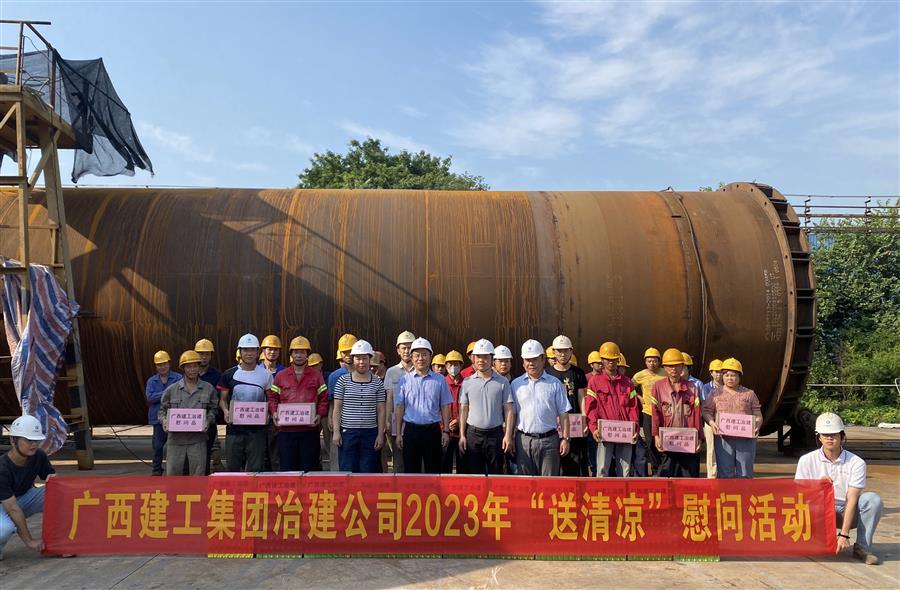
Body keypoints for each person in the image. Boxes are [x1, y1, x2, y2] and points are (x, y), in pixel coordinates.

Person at [795, 412, 884, 565]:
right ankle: (815, 540)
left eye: (834, 435)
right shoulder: (806, 460)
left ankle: (862, 548)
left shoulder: (856, 463)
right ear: (819, 437)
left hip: (845, 510)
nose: (829, 438)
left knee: (872, 500)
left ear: (842, 437)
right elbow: (799, 494)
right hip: (819, 509)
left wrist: (844, 534)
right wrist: (817, 487)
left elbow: (852, 499)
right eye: (825, 435)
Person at [511, 339, 571, 476]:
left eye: (535, 359)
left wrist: (565, 439)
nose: (531, 363)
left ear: (543, 359)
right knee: (525, 483)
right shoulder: (516, 384)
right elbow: (512, 414)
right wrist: (510, 436)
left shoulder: (555, 384)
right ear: (523, 362)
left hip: (549, 441)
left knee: (549, 483)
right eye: (527, 360)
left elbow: (563, 413)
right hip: (523, 441)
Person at [270, 336, 328, 471]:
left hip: (309, 432)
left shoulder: (316, 376)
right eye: (296, 352)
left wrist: (319, 415)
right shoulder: (281, 376)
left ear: (307, 355)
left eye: (302, 352)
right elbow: (273, 398)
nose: (299, 355)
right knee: (288, 469)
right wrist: (274, 412)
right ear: (291, 354)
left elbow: (324, 399)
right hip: (286, 432)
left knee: (309, 469)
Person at [395, 337, 452, 474]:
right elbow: (400, 407)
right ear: (412, 357)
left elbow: (445, 406)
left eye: (424, 355)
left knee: (434, 470)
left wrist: (445, 432)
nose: (421, 358)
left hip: (432, 431)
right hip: (411, 431)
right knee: (411, 472)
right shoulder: (404, 380)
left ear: (430, 357)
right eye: (417, 355)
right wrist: (398, 434)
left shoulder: (440, 380)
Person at [218, 334, 273, 472]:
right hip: (234, 429)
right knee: (233, 467)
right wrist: (225, 411)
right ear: (240, 351)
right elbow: (223, 399)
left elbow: (271, 399)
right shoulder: (229, 374)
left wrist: (269, 413)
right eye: (246, 350)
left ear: (258, 352)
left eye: (252, 350)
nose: (249, 353)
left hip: (257, 430)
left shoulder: (266, 375)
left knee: (255, 468)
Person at [0, 415, 53, 559]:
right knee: (3, 529)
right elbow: (12, 508)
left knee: (58, 494)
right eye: (28, 440)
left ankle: (61, 541)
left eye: (36, 440)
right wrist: (29, 541)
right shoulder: (2, 468)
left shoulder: (38, 456)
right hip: (4, 505)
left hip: (22, 499)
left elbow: (53, 480)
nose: (33, 444)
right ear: (13, 441)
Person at [459, 339, 515, 475]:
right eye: (478, 357)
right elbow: (464, 410)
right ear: (474, 358)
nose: (481, 360)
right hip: (473, 435)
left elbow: (508, 410)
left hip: (495, 435)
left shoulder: (503, 382)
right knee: (474, 474)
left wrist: (508, 435)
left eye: (485, 357)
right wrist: (462, 435)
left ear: (492, 359)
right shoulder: (467, 382)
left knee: (496, 474)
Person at [159, 351, 219, 476]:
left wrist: (208, 420)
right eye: (188, 366)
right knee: (173, 476)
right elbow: (162, 410)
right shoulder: (171, 390)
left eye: (195, 366)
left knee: (198, 475)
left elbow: (213, 409)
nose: (192, 370)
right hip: (176, 441)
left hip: (198, 440)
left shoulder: (208, 388)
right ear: (183, 368)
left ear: (199, 367)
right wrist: (164, 420)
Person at [585, 342, 639, 477]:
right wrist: (593, 428)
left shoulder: (628, 383)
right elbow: (591, 407)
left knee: (625, 471)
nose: (611, 362)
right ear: (602, 360)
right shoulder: (594, 382)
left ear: (618, 360)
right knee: (602, 469)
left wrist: (635, 428)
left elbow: (633, 408)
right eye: (607, 359)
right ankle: (602, 491)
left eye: (614, 359)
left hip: (624, 431)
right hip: (604, 432)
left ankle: (624, 491)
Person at [332, 340, 386, 473]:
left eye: (364, 358)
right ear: (353, 359)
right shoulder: (342, 381)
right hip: (348, 433)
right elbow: (337, 408)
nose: (361, 362)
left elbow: (381, 410)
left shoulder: (377, 382)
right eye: (358, 358)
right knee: (348, 469)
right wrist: (336, 432)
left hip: (370, 433)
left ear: (370, 359)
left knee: (369, 470)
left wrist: (380, 434)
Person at [703, 358, 762, 478]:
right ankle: (726, 491)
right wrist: (712, 422)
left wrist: (757, 425)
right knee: (725, 473)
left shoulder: (749, 394)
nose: (729, 378)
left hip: (745, 439)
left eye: (733, 375)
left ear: (739, 377)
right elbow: (706, 411)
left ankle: (744, 491)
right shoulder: (715, 393)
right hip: (723, 439)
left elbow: (757, 413)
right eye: (726, 375)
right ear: (723, 376)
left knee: (745, 473)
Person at [651, 348, 703, 478]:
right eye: (670, 366)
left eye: (677, 365)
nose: (673, 369)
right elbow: (655, 413)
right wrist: (656, 435)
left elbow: (697, 414)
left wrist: (699, 438)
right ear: (664, 367)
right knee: (666, 473)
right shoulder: (658, 387)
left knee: (687, 476)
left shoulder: (692, 387)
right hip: (668, 439)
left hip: (686, 439)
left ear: (683, 367)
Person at [545, 335, 588, 476]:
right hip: (554, 424)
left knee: (575, 460)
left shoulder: (578, 373)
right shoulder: (547, 374)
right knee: (555, 461)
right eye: (559, 351)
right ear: (554, 352)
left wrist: (584, 418)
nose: (562, 354)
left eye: (565, 351)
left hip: (574, 423)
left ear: (571, 351)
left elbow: (581, 397)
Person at [145, 350, 182, 476]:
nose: (162, 367)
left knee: (177, 445)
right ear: (156, 366)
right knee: (157, 446)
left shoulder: (178, 378)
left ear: (169, 363)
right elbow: (150, 397)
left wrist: (161, 395)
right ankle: (156, 469)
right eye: (159, 365)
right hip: (157, 418)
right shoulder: (152, 381)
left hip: (176, 417)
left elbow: (180, 394)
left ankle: (177, 469)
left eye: (164, 364)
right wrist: (168, 393)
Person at [325, 333, 358, 471]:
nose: (348, 355)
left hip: (360, 421)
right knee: (337, 456)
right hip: (341, 420)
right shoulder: (335, 376)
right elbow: (332, 402)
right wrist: (330, 417)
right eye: (345, 352)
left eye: (351, 351)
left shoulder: (366, 373)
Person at [383, 330, 415, 473]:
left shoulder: (421, 370)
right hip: (397, 419)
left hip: (416, 419)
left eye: (410, 347)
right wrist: (388, 420)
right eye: (403, 348)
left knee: (416, 457)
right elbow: (389, 397)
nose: (407, 351)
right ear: (398, 350)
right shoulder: (392, 372)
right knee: (399, 456)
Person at [633, 347, 666, 476]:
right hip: (648, 412)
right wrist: (638, 397)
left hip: (663, 413)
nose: (652, 364)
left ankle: (663, 468)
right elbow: (629, 387)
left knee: (663, 441)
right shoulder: (640, 375)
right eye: (649, 361)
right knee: (650, 441)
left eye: (654, 361)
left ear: (659, 361)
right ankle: (655, 468)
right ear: (645, 362)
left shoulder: (665, 373)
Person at [195, 338, 221, 475]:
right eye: (200, 353)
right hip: (192, 420)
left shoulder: (216, 375)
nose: (203, 357)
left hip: (208, 420)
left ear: (211, 355)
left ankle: (204, 478)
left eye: (207, 354)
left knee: (206, 452)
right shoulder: (190, 372)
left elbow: (218, 399)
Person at [258, 335, 284, 471]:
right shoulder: (255, 372)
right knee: (259, 456)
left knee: (276, 456)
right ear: (263, 350)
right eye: (269, 349)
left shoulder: (284, 372)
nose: (272, 352)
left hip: (278, 420)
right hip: (257, 420)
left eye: (275, 349)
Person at [442, 350, 466, 473]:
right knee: (444, 465)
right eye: (450, 364)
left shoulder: (467, 382)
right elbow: (437, 407)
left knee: (463, 466)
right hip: (445, 431)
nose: (453, 367)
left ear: (461, 365)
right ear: (446, 366)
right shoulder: (441, 382)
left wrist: (458, 421)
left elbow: (470, 405)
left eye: (456, 364)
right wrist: (445, 425)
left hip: (463, 431)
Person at [701, 359, 723, 479]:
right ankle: (712, 476)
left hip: (724, 422)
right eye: (716, 372)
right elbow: (705, 405)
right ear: (711, 373)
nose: (719, 374)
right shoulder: (705, 388)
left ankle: (724, 474)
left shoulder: (727, 387)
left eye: (721, 372)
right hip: (710, 421)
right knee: (711, 449)